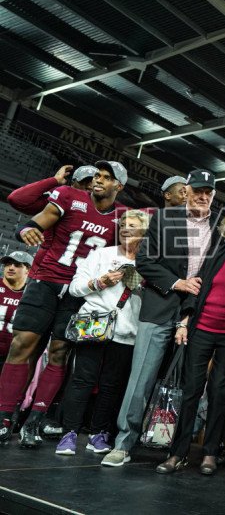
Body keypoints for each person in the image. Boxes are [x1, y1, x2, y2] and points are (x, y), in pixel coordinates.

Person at [0, 161, 125, 447]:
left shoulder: (122, 215)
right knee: (22, 345)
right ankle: (4, 417)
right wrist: (28, 229)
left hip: (79, 292)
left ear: (119, 186)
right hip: (45, 281)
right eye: (97, 175)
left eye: (106, 177)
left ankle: (34, 420)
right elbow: (39, 215)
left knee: (59, 353)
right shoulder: (69, 195)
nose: (98, 180)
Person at [102, 168, 219, 466]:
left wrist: (190, 306)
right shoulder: (164, 219)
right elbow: (145, 261)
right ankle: (124, 442)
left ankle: (175, 449)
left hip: (196, 312)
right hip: (160, 304)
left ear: (214, 195)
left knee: (191, 385)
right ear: (187, 191)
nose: (202, 196)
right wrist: (177, 283)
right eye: (197, 191)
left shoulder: (219, 227)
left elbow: (210, 275)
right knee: (141, 378)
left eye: (208, 193)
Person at [155, 207, 225, 476]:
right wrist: (185, 320)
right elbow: (197, 285)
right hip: (202, 328)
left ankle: (210, 451)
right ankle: (177, 452)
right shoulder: (216, 252)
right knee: (191, 390)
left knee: (219, 393)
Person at [54, 210, 149, 455]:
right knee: (82, 380)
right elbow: (74, 288)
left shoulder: (149, 263)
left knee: (111, 385)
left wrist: (142, 286)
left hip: (127, 331)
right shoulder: (101, 254)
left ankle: (98, 434)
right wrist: (99, 282)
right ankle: (69, 433)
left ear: (144, 232)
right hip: (93, 324)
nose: (126, 229)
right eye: (123, 224)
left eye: (133, 226)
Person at [0, 252, 33, 363]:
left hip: (12, 359)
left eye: (17, 265)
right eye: (8, 264)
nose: (11, 267)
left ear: (28, 270)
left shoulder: (33, 295)